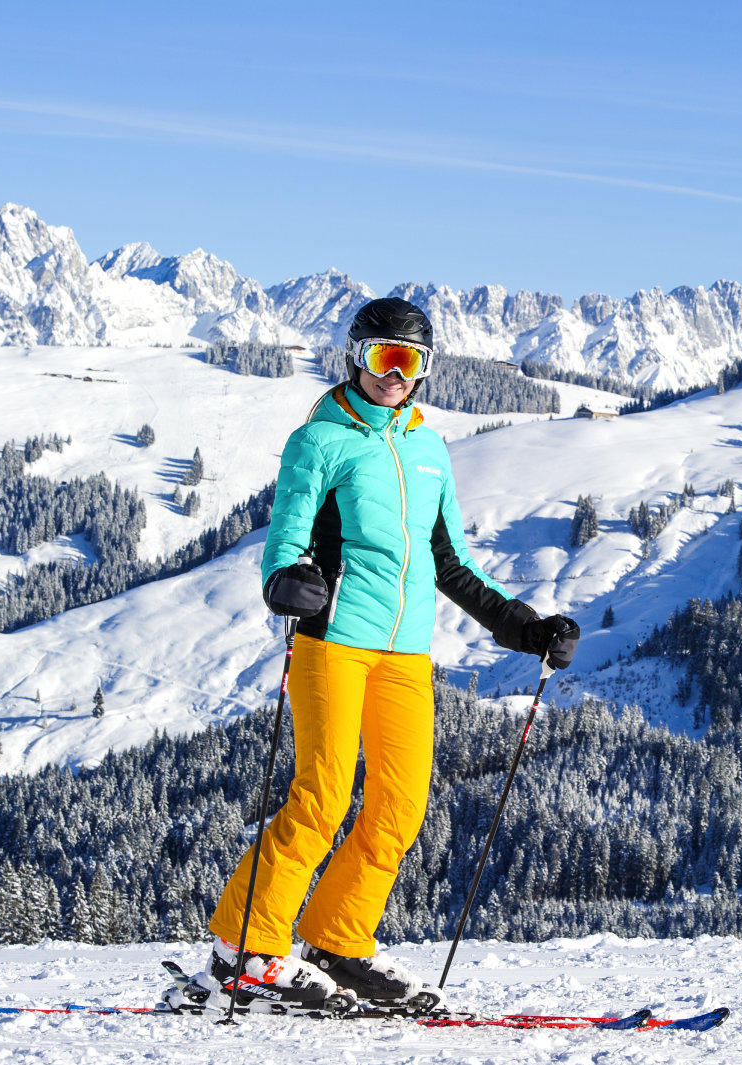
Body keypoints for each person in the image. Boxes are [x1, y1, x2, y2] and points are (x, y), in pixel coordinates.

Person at [195, 296, 579, 1010]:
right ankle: (244, 947)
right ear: (356, 356)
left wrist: (524, 627)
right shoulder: (319, 440)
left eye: (409, 361)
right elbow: (288, 535)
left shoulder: (429, 450)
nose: (393, 375)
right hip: (333, 643)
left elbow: (451, 563)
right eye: (381, 357)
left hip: (404, 655)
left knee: (399, 809)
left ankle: (338, 939)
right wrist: (286, 580)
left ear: (425, 368)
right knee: (321, 797)